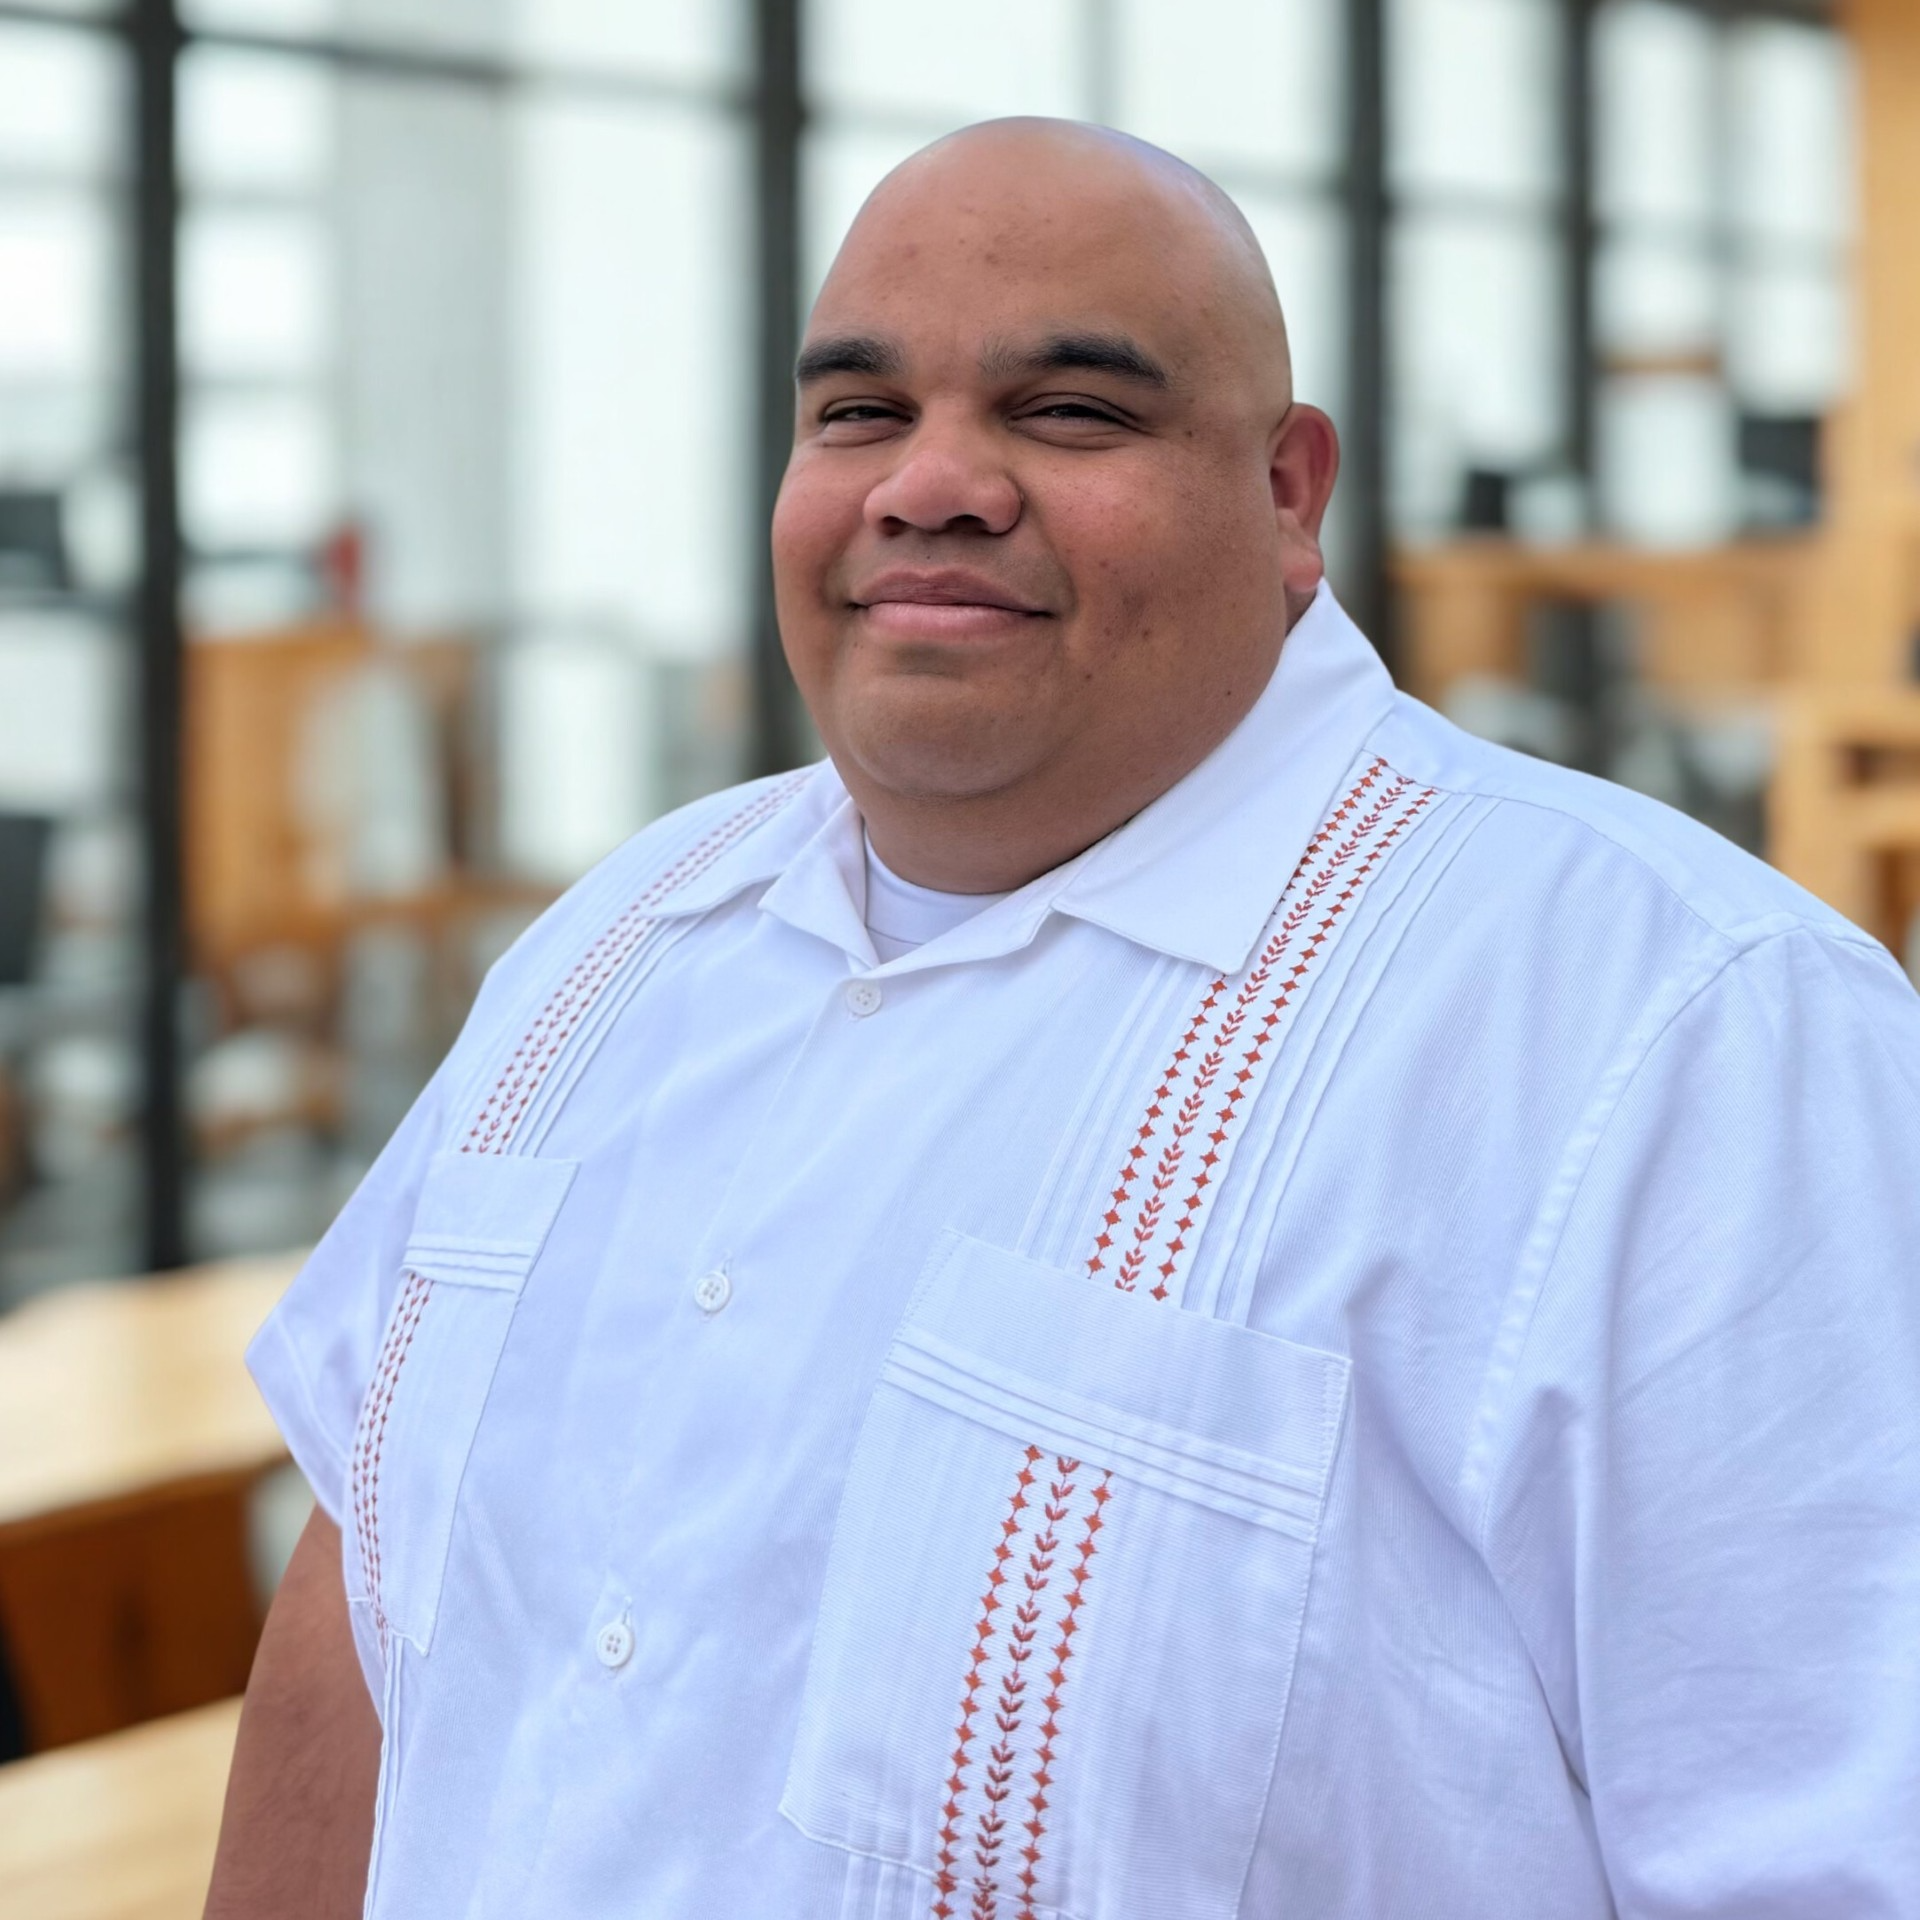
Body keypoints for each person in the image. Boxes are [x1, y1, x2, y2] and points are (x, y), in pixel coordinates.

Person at [207, 120, 1920, 1919]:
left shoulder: (1685, 1043)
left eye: (1070, 413)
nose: (930, 484)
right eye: (859, 411)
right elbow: (365, 1606)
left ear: (1287, 496)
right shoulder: (615, 947)